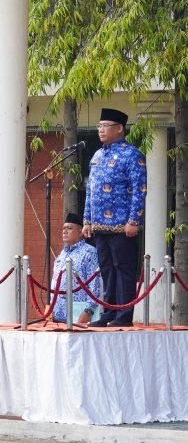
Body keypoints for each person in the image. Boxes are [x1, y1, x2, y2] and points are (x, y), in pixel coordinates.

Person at [82, 108, 147, 327]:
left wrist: (134, 221)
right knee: (107, 271)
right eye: (99, 126)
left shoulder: (132, 154)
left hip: (122, 227)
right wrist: (86, 220)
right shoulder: (98, 155)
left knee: (124, 271)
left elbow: (140, 190)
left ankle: (123, 316)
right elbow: (90, 190)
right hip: (100, 226)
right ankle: (108, 313)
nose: (100, 130)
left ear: (119, 129)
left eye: (105, 126)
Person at [51, 213, 101, 323]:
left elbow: (95, 285)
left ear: (80, 232)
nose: (65, 231)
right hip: (57, 314)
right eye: (64, 228)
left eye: (69, 228)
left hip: (79, 315)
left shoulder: (89, 252)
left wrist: (88, 311)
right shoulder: (62, 254)